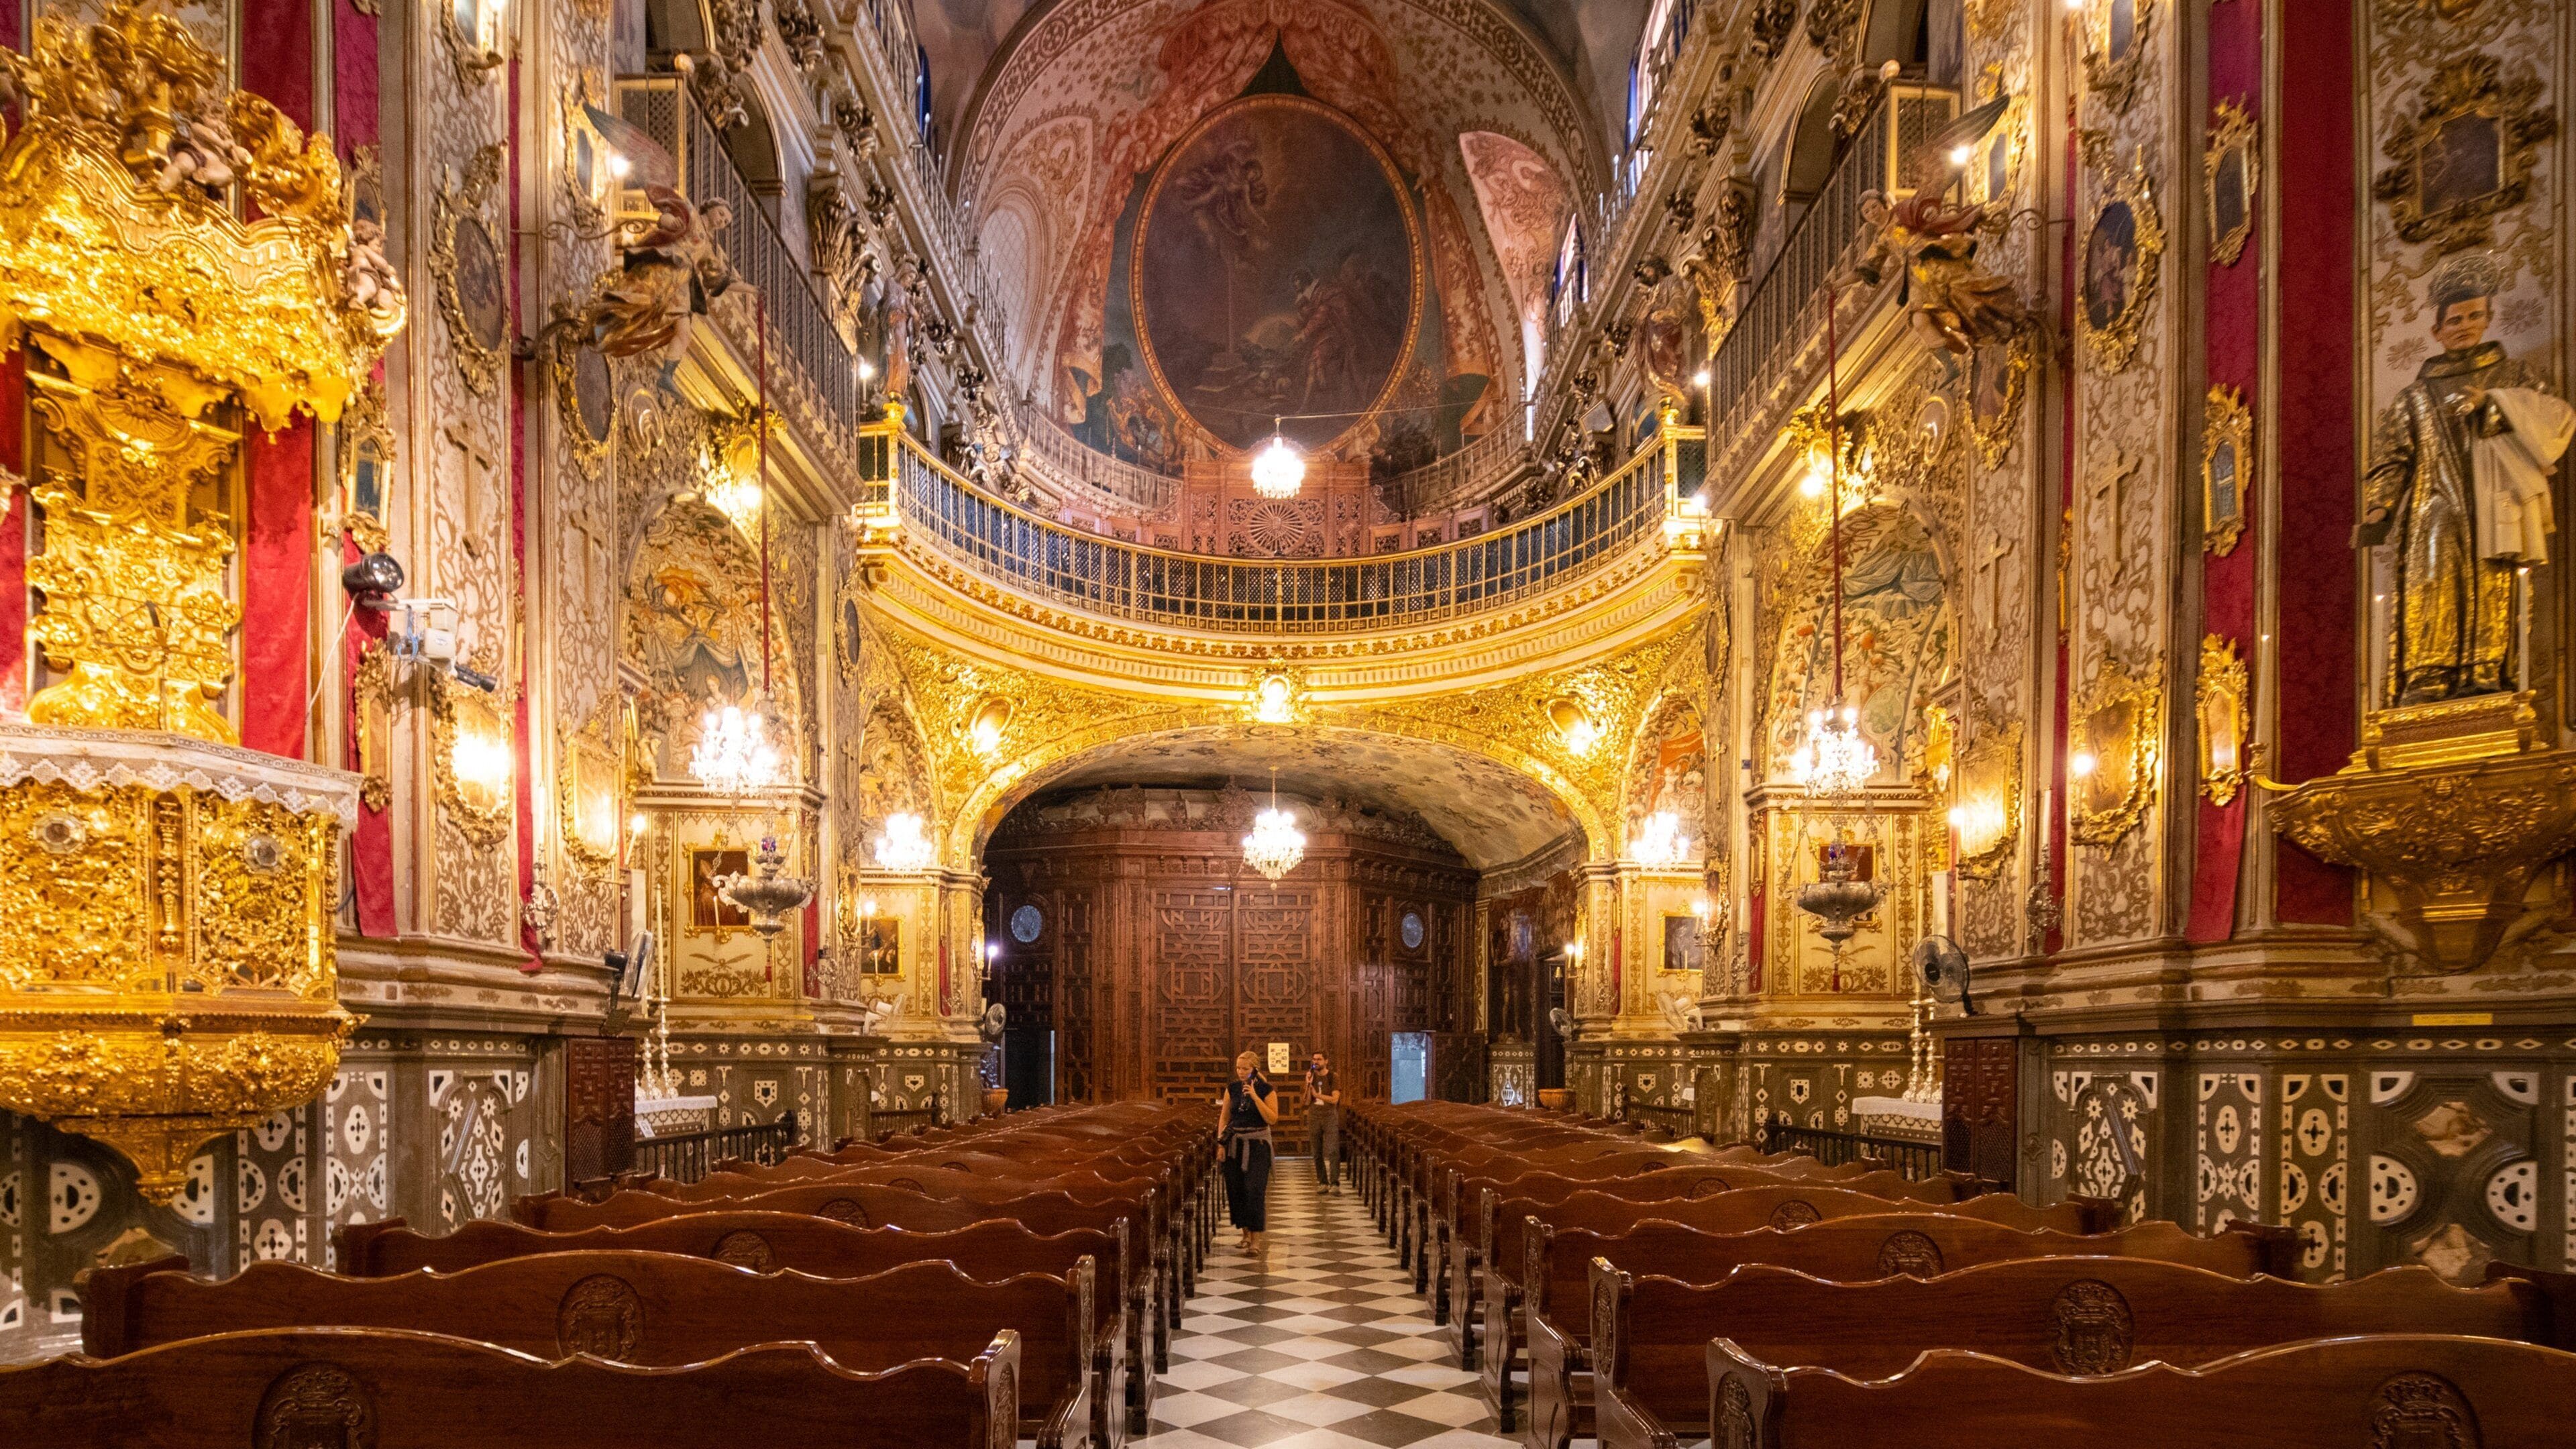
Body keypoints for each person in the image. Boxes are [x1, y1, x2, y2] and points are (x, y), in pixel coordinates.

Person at [1216, 1049, 1278, 1256]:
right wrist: (1221, 1144)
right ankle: (1244, 1234)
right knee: (1237, 1191)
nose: (1241, 1072)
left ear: (1254, 1069)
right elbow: (1224, 1118)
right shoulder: (1231, 1089)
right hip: (1235, 1144)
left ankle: (1256, 1240)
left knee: (1255, 1190)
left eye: (1245, 1069)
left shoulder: (1267, 1090)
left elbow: (1272, 1118)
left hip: (1258, 1145)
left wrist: (1255, 1097)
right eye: (1238, 1068)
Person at [1305, 1049, 1342, 1193]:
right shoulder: (1311, 1077)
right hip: (1314, 1116)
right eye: (1314, 1059)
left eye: (1319, 1059)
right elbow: (1307, 1101)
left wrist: (1317, 1095)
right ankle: (1323, 1182)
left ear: (1326, 1061)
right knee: (1317, 1152)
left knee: (1333, 1150)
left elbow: (1334, 1099)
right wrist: (1308, 1085)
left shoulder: (1333, 1077)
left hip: (1329, 1117)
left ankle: (1335, 1183)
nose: (1316, 1062)